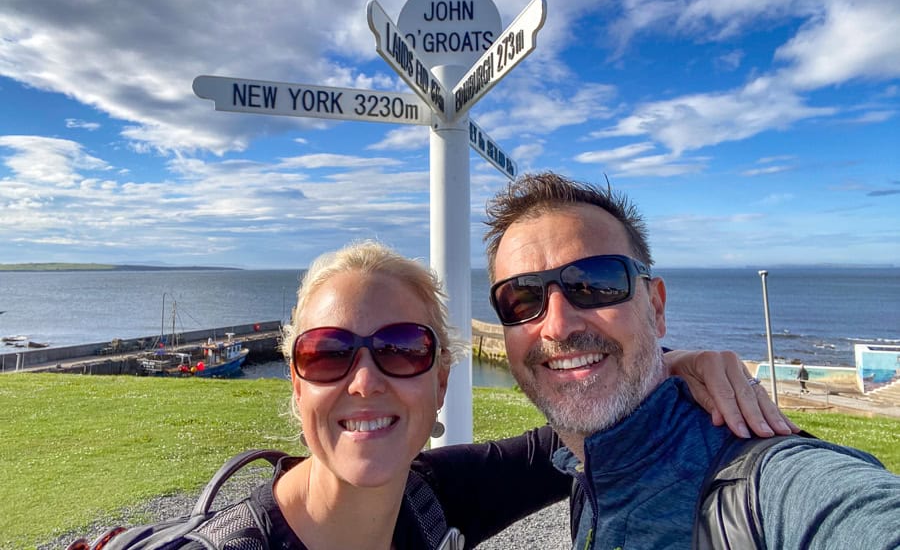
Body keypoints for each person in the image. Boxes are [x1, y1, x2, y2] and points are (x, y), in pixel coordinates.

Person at [68, 240, 792, 550]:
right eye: (327, 353)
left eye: (402, 349)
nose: (364, 380)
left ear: (441, 380)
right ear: (295, 381)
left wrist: (668, 362)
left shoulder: (428, 502)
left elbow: (570, 431)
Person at [483, 171, 900, 549]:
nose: (557, 326)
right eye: (522, 298)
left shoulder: (766, 487)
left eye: (596, 284)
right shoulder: (587, 466)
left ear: (656, 307)